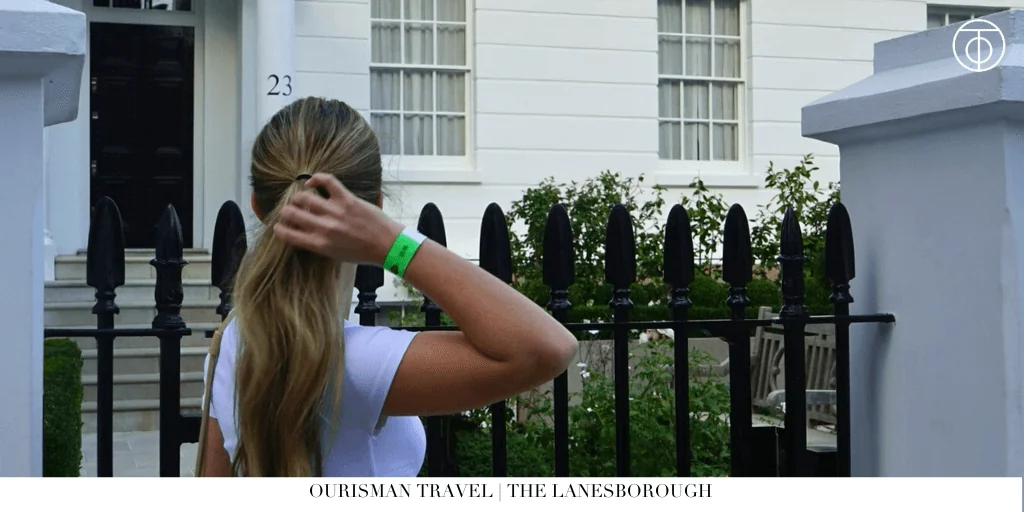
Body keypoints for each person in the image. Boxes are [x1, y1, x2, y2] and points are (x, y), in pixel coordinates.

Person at [199, 97, 578, 477]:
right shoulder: (357, 364)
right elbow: (548, 348)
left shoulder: (234, 341)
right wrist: (390, 243)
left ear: (258, 207)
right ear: (374, 206)